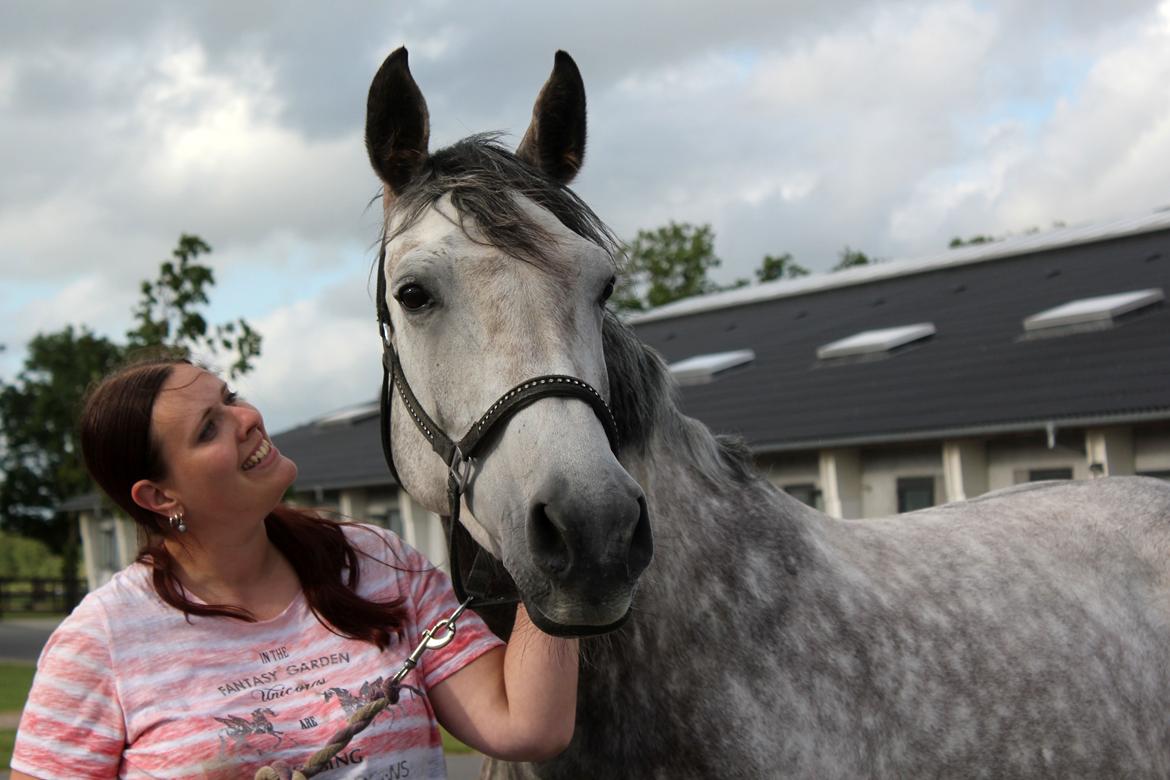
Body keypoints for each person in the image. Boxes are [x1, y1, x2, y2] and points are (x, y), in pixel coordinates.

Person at [11, 357, 578, 779]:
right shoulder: (100, 642)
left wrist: (557, 544)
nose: (248, 418)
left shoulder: (377, 562)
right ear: (159, 497)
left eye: (230, 397)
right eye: (209, 428)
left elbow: (526, 723)